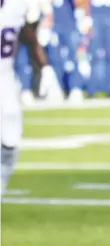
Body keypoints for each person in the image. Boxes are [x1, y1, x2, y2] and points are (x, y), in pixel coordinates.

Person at [1, 0, 62, 197]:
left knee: (10, 145)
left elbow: (29, 36)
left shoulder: (17, 6)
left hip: (5, 85)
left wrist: (45, 67)